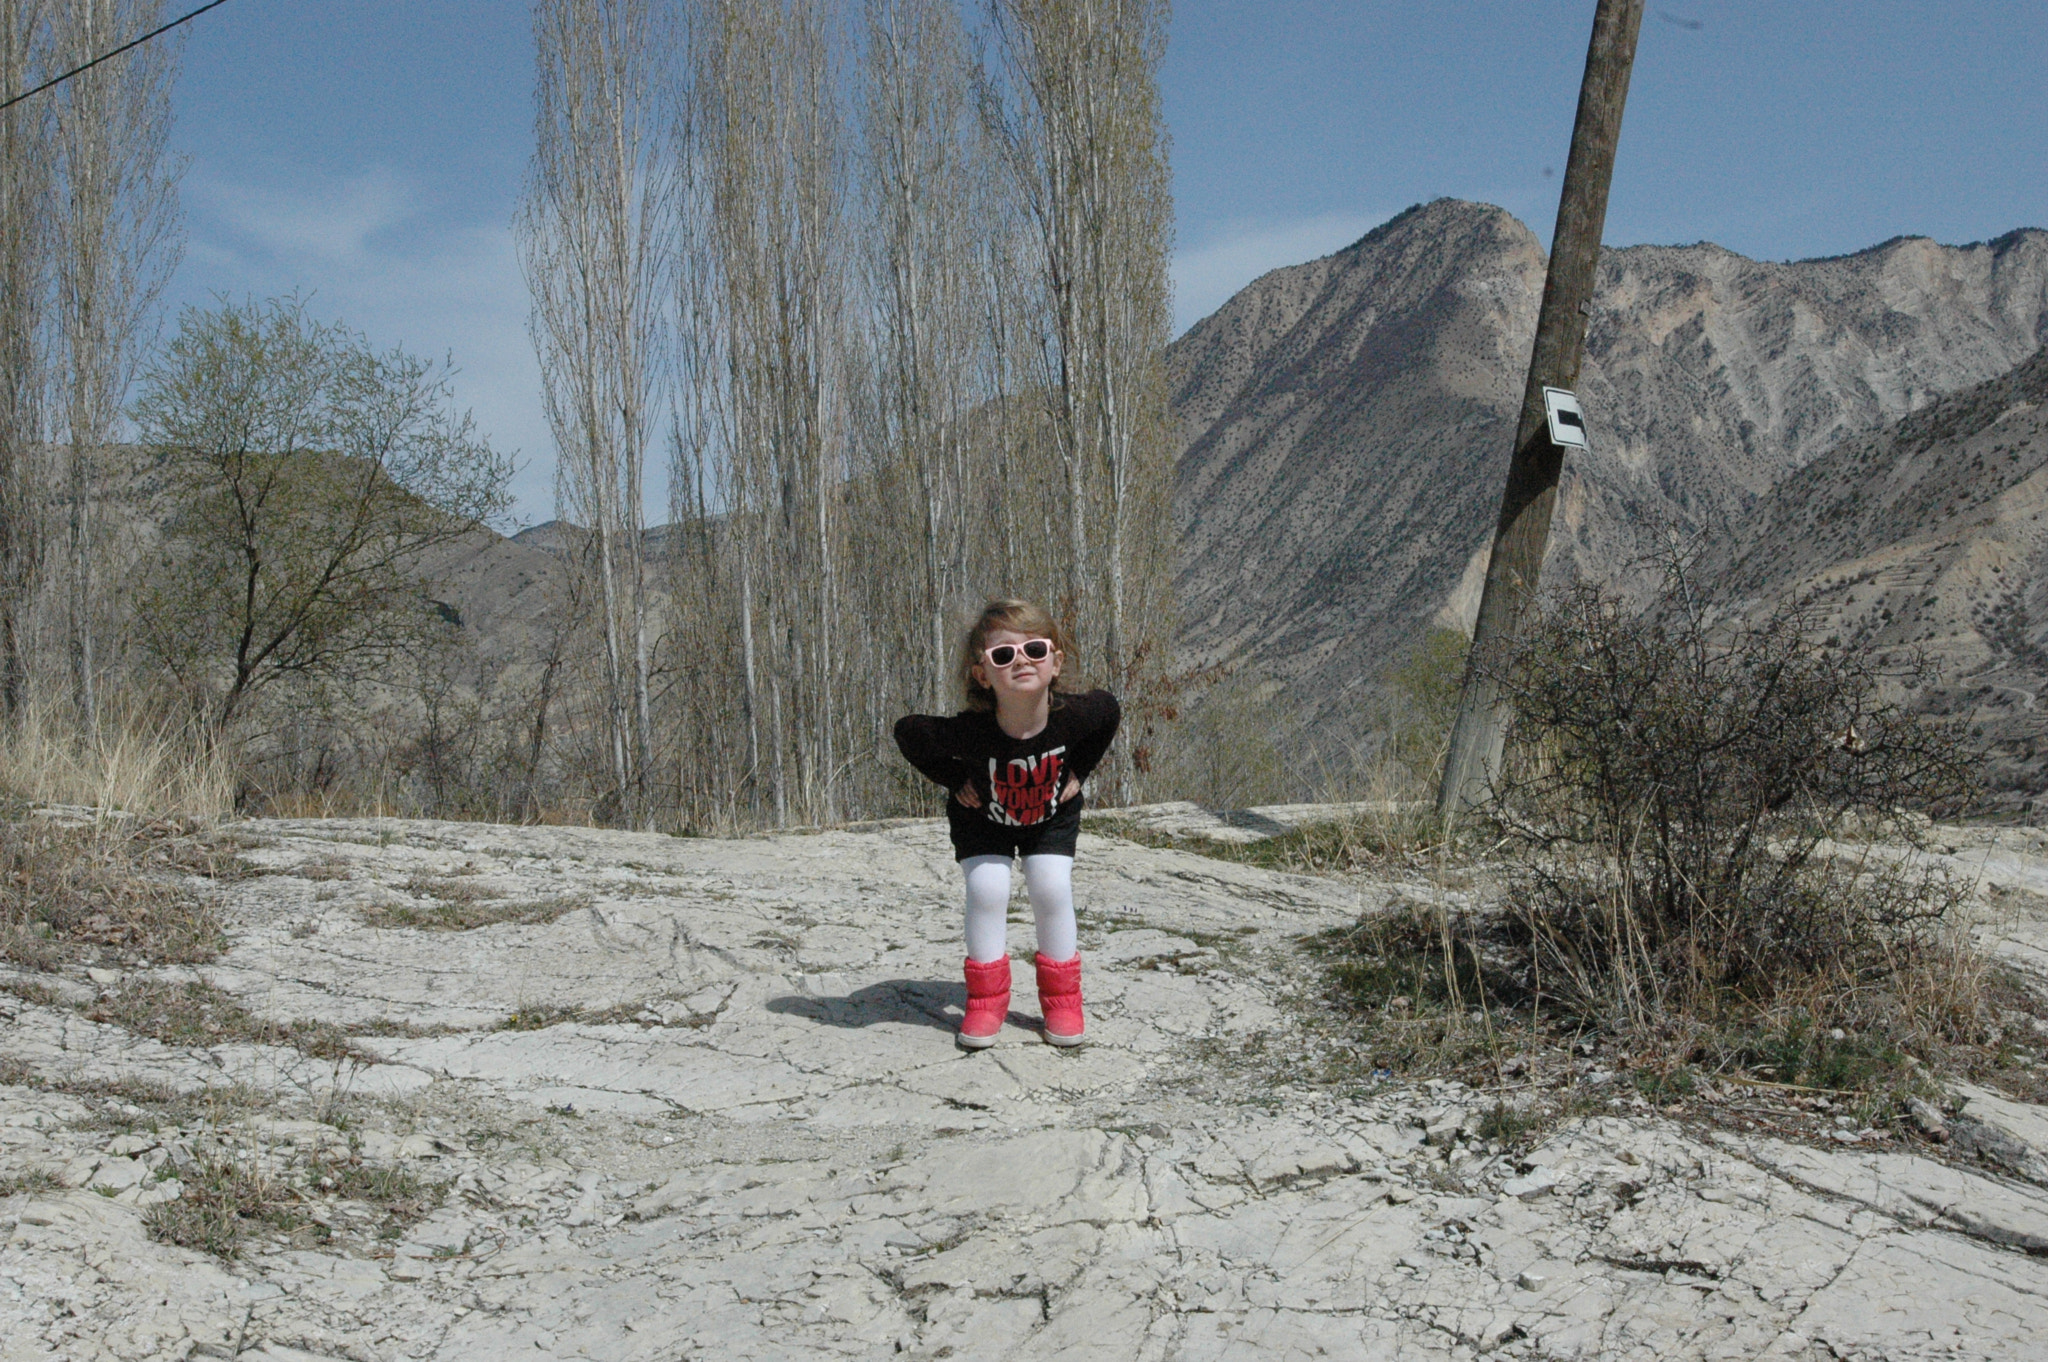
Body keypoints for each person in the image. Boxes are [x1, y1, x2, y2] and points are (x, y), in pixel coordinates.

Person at [894, 600, 1121, 1049]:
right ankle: (985, 1001)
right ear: (983, 674)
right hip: (983, 821)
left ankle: (1062, 1000)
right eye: (1003, 655)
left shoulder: (1074, 716)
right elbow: (908, 731)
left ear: (1055, 663)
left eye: (1035, 650)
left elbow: (1109, 711)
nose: (1021, 660)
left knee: (1050, 887)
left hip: (1050, 819)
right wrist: (955, 779)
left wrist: (1079, 772)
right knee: (987, 890)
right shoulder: (971, 731)